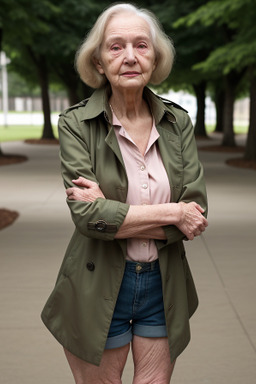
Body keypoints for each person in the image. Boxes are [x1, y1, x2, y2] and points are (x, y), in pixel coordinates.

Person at [41, 3, 208, 383]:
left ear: (155, 57)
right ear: (99, 62)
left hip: (162, 282)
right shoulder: (75, 124)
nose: (130, 56)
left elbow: (196, 216)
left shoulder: (177, 122)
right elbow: (88, 219)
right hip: (95, 281)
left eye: (141, 45)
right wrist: (172, 213)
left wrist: (113, 214)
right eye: (115, 47)